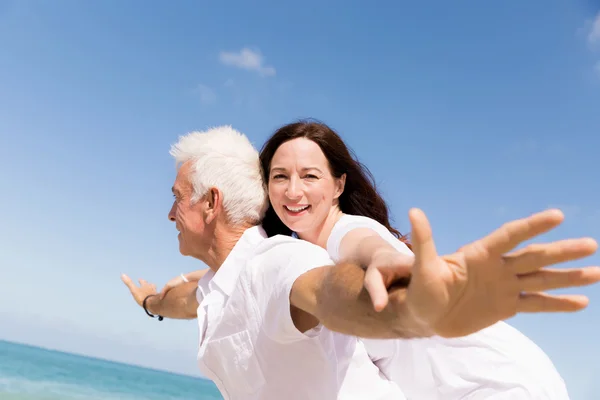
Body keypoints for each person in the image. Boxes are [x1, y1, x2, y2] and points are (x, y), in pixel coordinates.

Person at [123, 125, 599, 400]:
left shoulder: (343, 234)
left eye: (309, 176)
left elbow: (358, 266)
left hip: (493, 385)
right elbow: (202, 295)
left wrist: (406, 286)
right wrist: (152, 300)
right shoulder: (270, 260)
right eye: (279, 177)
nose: (292, 190)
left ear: (338, 185)